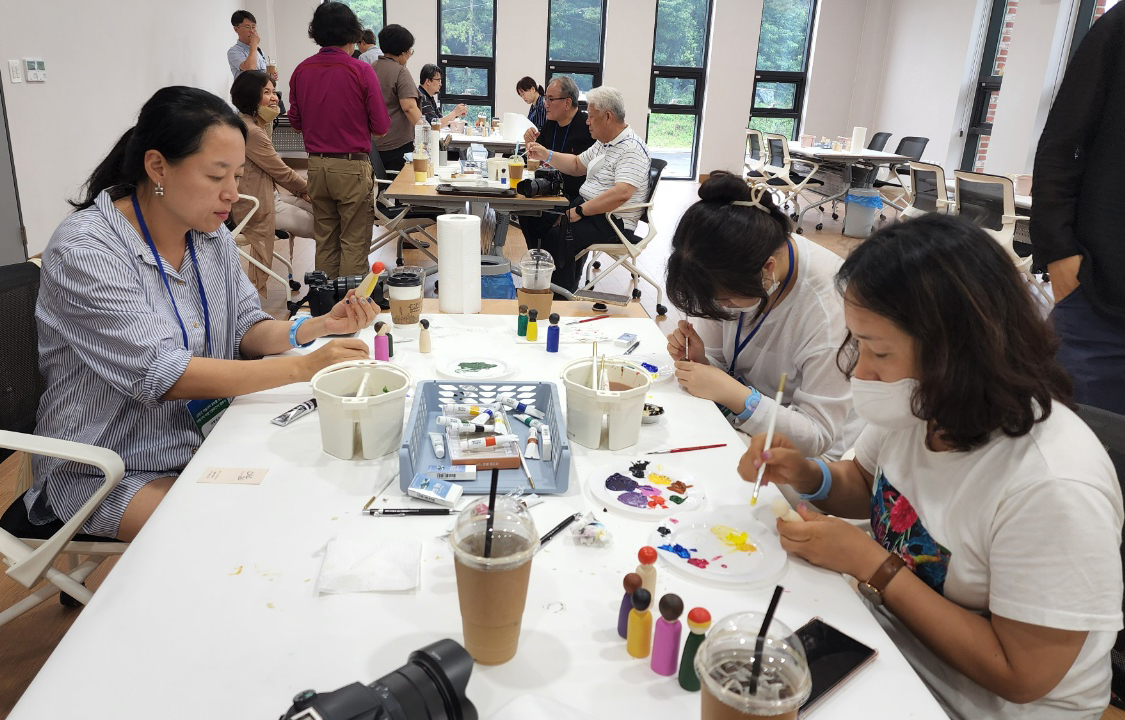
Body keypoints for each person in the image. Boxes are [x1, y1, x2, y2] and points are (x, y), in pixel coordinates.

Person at [744, 213, 1123, 719]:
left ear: (956, 352)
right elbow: (868, 483)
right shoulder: (921, 403)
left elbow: (1021, 675)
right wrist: (806, 475)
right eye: (858, 344)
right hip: (890, 644)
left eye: (879, 352)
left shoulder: (1052, 484)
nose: (861, 371)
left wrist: (872, 565)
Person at [28, 87, 376, 542]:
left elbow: (246, 326)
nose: (232, 193)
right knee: (248, 533)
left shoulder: (208, 235)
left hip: (203, 438)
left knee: (319, 487)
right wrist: (303, 368)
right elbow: (164, 375)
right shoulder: (87, 250)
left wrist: (315, 327)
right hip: (108, 466)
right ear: (157, 167)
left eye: (238, 175)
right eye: (216, 175)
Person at [664, 173, 859, 460]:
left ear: (767, 270)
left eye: (724, 300)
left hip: (811, 457)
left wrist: (736, 395)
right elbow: (726, 366)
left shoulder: (830, 307)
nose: (721, 307)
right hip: (744, 420)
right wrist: (703, 362)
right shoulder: (731, 265)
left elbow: (817, 436)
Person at [1031, 2, 1125, 415]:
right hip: (1101, 305)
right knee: (1072, 438)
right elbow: (1060, 145)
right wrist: (1059, 255)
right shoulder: (1120, 27)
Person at [288, 2, 390, 278]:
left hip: (316, 168)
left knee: (326, 240)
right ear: (353, 32)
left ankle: (324, 301)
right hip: (351, 167)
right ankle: (349, 303)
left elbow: (295, 123)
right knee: (354, 242)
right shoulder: (360, 70)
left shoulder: (301, 70)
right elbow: (381, 127)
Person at [525, 86, 650, 292]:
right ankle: (544, 282)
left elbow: (622, 193)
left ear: (608, 117)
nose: (587, 121)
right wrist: (546, 154)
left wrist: (580, 211)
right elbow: (576, 165)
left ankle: (561, 295)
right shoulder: (604, 143)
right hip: (591, 210)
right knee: (536, 218)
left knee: (559, 237)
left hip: (612, 221)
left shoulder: (631, 149)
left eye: (591, 116)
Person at [229, 71, 311, 296]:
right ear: (251, 96)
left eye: (274, 92)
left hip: (267, 197)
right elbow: (281, 172)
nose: (274, 97)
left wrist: (304, 192)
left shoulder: (251, 124)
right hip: (256, 207)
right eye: (267, 92)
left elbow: (277, 171)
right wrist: (308, 190)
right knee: (324, 226)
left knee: (321, 211)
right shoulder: (251, 131)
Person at [517, 76, 595, 251]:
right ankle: (537, 256)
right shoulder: (551, 125)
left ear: (567, 103)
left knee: (547, 225)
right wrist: (530, 145)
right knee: (524, 212)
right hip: (548, 191)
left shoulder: (587, 128)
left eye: (551, 99)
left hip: (574, 196)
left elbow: (584, 168)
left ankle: (550, 259)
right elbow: (536, 158)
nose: (546, 104)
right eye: (546, 99)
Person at [373, 24, 421, 172]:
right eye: (410, 51)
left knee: (380, 181)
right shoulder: (400, 71)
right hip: (397, 145)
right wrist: (427, 131)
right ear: (403, 53)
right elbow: (409, 107)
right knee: (401, 183)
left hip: (373, 144)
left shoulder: (371, 67)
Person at [227, 10, 275, 83]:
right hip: (246, 90)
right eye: (247, 27)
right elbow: (250, 69)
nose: (252, 31)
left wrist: (270, 77)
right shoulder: (234, 51)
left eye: (254, 27)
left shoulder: (259, 51)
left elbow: (262, 75)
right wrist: (254, 44)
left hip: (261, 89)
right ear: (236, 29)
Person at [417, 64, 467, 128]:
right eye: (438, 80)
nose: (440, 84)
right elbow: (435, 125)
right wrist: (454, 113)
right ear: (428, 81)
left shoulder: (429, 97)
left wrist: (456, 114)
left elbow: (440, 119)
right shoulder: (422, 98)